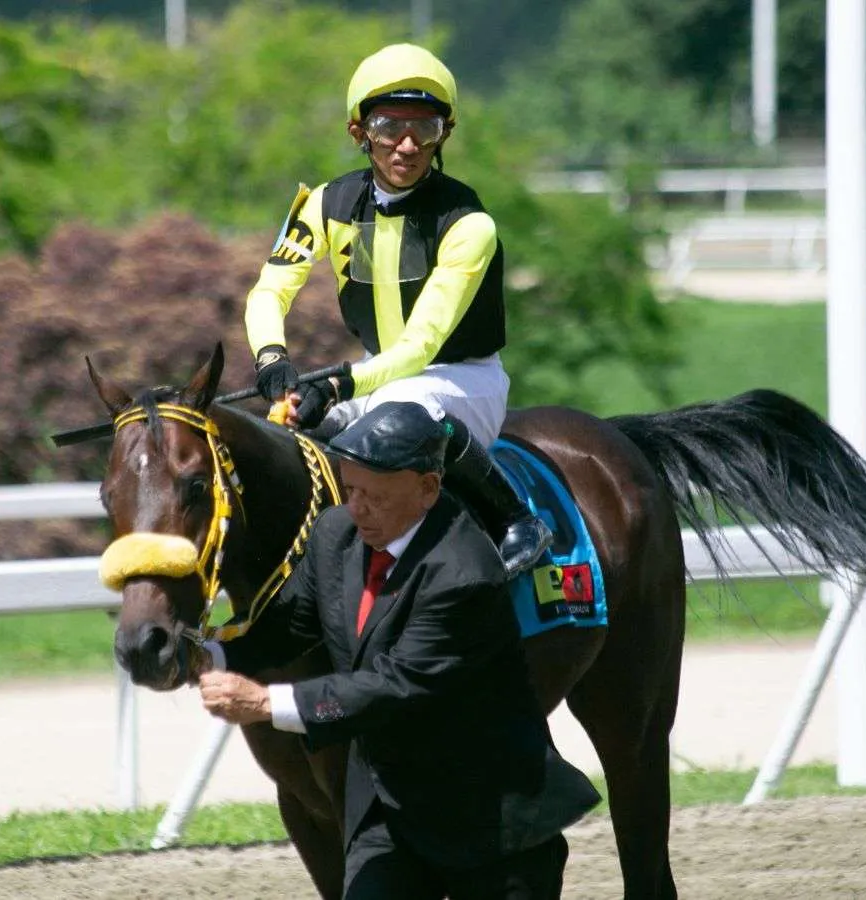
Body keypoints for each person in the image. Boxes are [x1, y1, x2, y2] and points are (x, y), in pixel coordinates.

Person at [198, 402, 600, 900]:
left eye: (376, 497)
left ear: (428, 488)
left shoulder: (463, 572)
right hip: (388, 819)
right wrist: (211, 658)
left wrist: (263, 704)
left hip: (490, 827)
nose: (357, 508)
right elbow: (288, 626)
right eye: (351, 491)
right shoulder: (334, 534)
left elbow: (394, 686)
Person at [243, 42, 552, 578]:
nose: (406, 145)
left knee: (406, 407)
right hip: (377, 377)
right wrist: (273, 361)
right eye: (389, 127)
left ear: (444, 136)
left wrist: (338, 386)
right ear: (359, 133)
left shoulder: (468, 223)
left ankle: (515, 519)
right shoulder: (325, 204)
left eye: (425, 129)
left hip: (459, 381)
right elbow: (270, 291)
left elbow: (419, 349)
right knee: (285, 433)